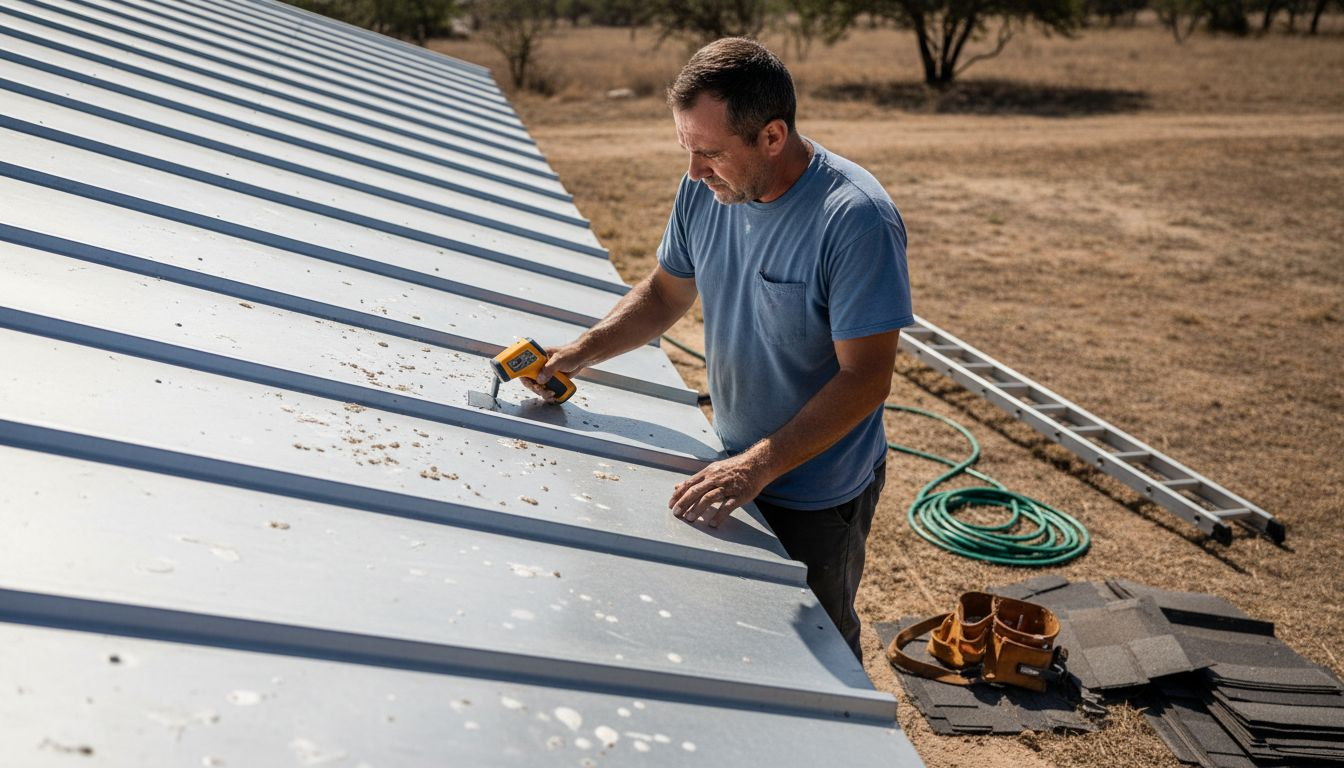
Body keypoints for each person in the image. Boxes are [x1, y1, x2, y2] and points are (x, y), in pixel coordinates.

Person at [524, 37, 913, 662]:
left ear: (771, 136)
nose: (694, 172)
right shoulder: (706, 191)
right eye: (686, 148)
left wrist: (756, 467)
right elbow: (662, 294)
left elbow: (865, 379)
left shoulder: (855, 219)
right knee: (741, 631)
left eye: (709, 152)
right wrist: (582, 351)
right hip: (733, 459)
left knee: (818, 646)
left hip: (816, 488)